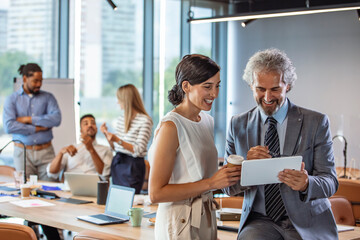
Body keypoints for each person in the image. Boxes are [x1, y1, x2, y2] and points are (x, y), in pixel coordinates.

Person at [223, 48, 338, 239]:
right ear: (251, 85)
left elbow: (330, 181)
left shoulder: (316, 122)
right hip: (260, 222)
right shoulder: (237, 125)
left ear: (288, 86)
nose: (267, 98)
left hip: (307, 222)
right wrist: (246, 167)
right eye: (260, 89)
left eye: (275, 89)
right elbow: (229, 187)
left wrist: (307, 183)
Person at [148, 54, 241, 240]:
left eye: (217, 86)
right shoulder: (171, 126)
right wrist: (212, 183)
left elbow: (198, 174)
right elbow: (156, 193)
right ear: (186, 86)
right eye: (207, 86)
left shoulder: (207, 121)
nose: (214, 94)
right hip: (179, 222)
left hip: (205, 216)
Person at [3, 63, 61, 181]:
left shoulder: (48, 97)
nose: (39, 84)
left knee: (51, 190)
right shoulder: (12, 99)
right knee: (24, 190)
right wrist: (37, 128)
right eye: (35, 81)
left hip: (46, 153)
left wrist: (28, 119)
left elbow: (56, 119)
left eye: (41, 81)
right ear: (25, 78)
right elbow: (9, 126)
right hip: (22, 153)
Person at [100, 84, 153, 194]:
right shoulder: (121, 119)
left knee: (130, 199)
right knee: (118, 198)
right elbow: (116, 147)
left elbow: (138, 149)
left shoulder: (145, 120)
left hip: (133, 166)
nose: (117, 102)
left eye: (119, 99)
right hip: (118, 162)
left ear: (126, 100)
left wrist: (117, 139)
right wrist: (107, 135)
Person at [47, 114, 112, 181]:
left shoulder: (106, 150)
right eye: (86, 124)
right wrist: (61, 153)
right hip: (70, 188)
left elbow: (105, 174)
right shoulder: (71, 148)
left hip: (93, 188)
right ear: (81, 130)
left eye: (93, 123)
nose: (90, 125)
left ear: (96, 128)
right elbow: (52, 173)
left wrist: (91, 149)